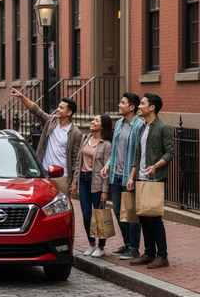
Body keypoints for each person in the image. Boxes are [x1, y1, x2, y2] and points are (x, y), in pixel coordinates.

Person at [127, 93, 174, 269]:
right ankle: (149, 253)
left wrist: (156, 165)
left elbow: (170, 153)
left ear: (152, 107)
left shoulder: (163, 128)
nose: (139, 106)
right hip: (140, 178)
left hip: (155, 178)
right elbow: (137, 155)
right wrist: (131, 178)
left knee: (154, 218)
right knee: (143, 219)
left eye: (142, 103)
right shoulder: (142, 128)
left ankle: (162, 256)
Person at [10, 87, 82, 198]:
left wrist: (74, 181)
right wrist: (22, 97)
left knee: (62, 205)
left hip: (63, 176)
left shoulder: (75, 133)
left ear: (69, 112)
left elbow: (76, 159)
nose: (57, 109)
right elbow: (36, 111)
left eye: (61, 108)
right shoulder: (51, 121)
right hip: (44, 172)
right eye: (58, 106)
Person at [100, 93, 144, 260]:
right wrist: (108, 164)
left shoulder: (139, 125)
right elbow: (115, 149)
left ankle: (133, 248)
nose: (119, 105)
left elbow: (137, 154)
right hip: (116, 175)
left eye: (123, 103)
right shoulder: (118, 124)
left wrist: (132, 176)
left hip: (129, 176)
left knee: (132, 213)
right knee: (118, 212)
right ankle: (126, 244)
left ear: (132, 107)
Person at [71, 113, 112, 258]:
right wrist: (75, 181)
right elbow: (78, 161)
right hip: (83, 180)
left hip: (97, 183)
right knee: (86, 215)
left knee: (100, 215)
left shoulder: (106, 144)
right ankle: (92, 244)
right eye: (93, 119)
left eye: (96, 120)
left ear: (103, 125)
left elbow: (107, 169)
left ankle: (101, 247)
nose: (93, 122)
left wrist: (105, 191)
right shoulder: (85, 138)